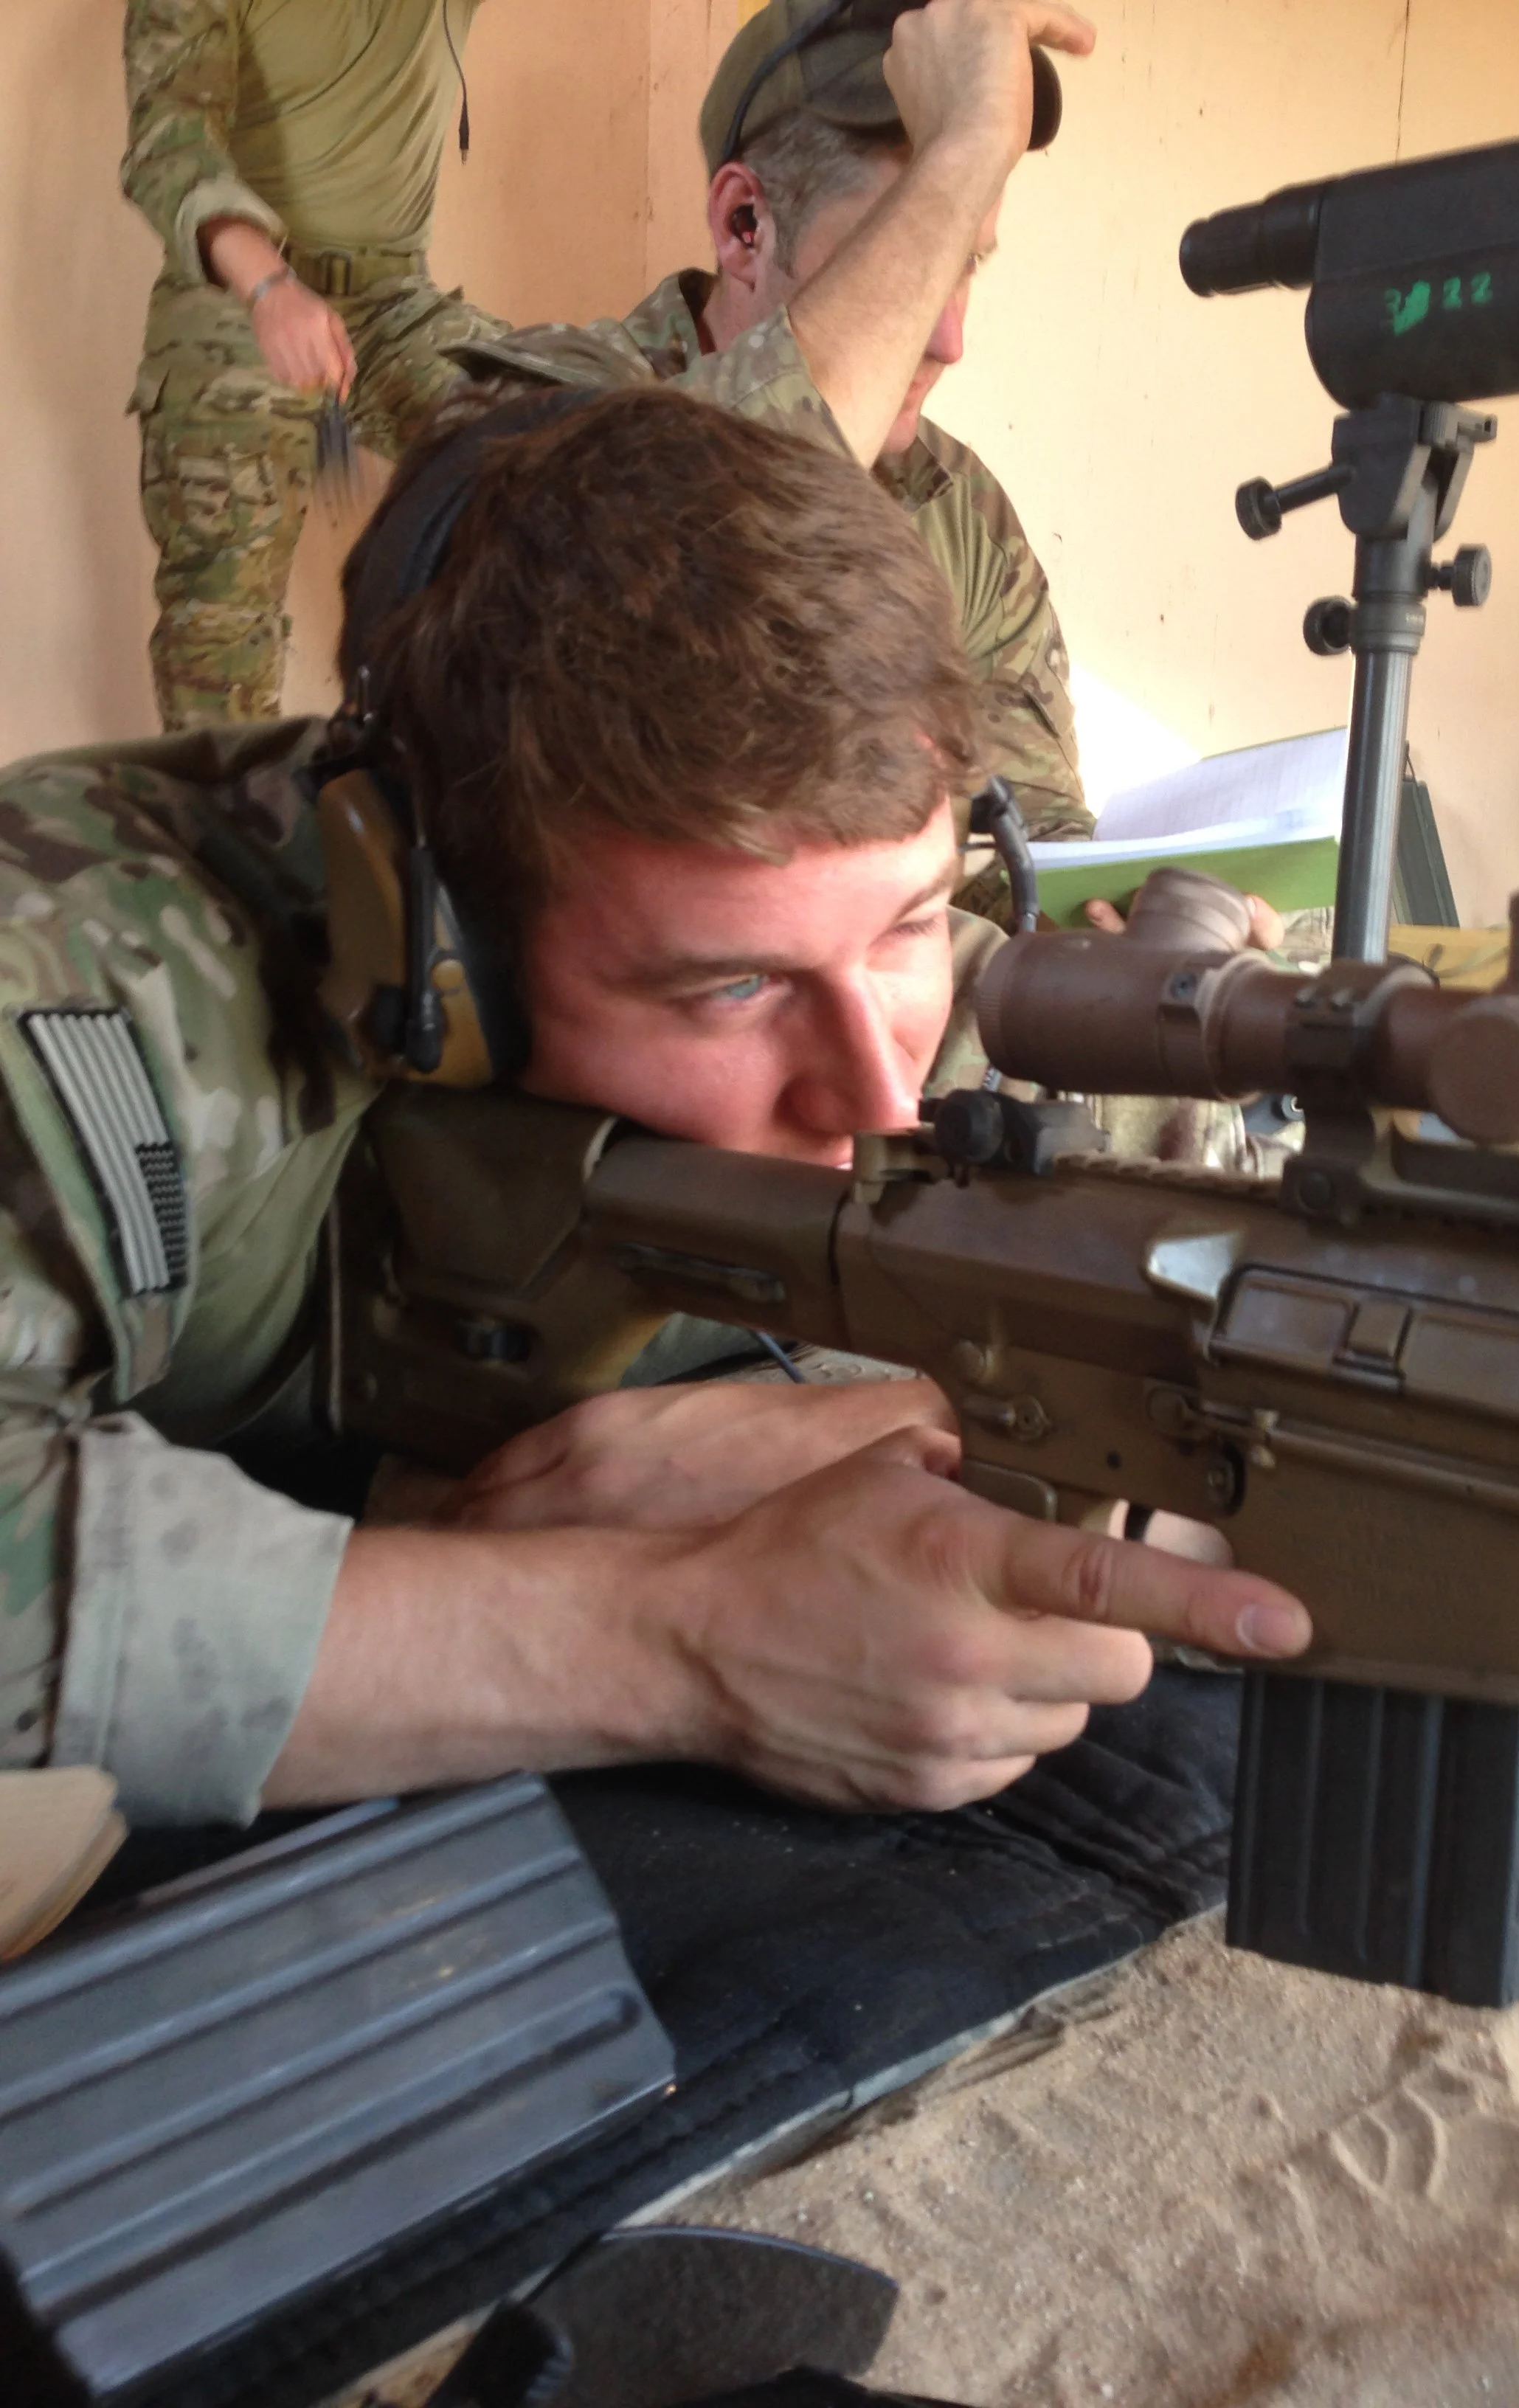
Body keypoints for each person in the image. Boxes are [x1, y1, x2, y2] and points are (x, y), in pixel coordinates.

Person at [0, 387, 1310, 1833]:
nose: (874, 1089)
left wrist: (864, 1423)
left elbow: (1310, 1309)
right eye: (735, 987)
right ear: (446, 946)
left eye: (910, 923)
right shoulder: (87, 981)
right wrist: (676, 1641)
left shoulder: (917, 1011)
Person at [453, 0, 1097, 913]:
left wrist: (1115, 926)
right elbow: (638, 567)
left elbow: (1027, 848)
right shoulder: (535, 414)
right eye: (912, 248)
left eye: (966, 261)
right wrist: (967, 144)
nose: (950, 338)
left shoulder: (962, 516)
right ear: (745, 224)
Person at [121, 0, 509, 730]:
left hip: (393, 298)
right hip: (236, 298)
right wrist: (270, 287)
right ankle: (236, 828)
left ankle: (479, 795)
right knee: (222, 627)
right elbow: (168, 142)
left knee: (553, 462)